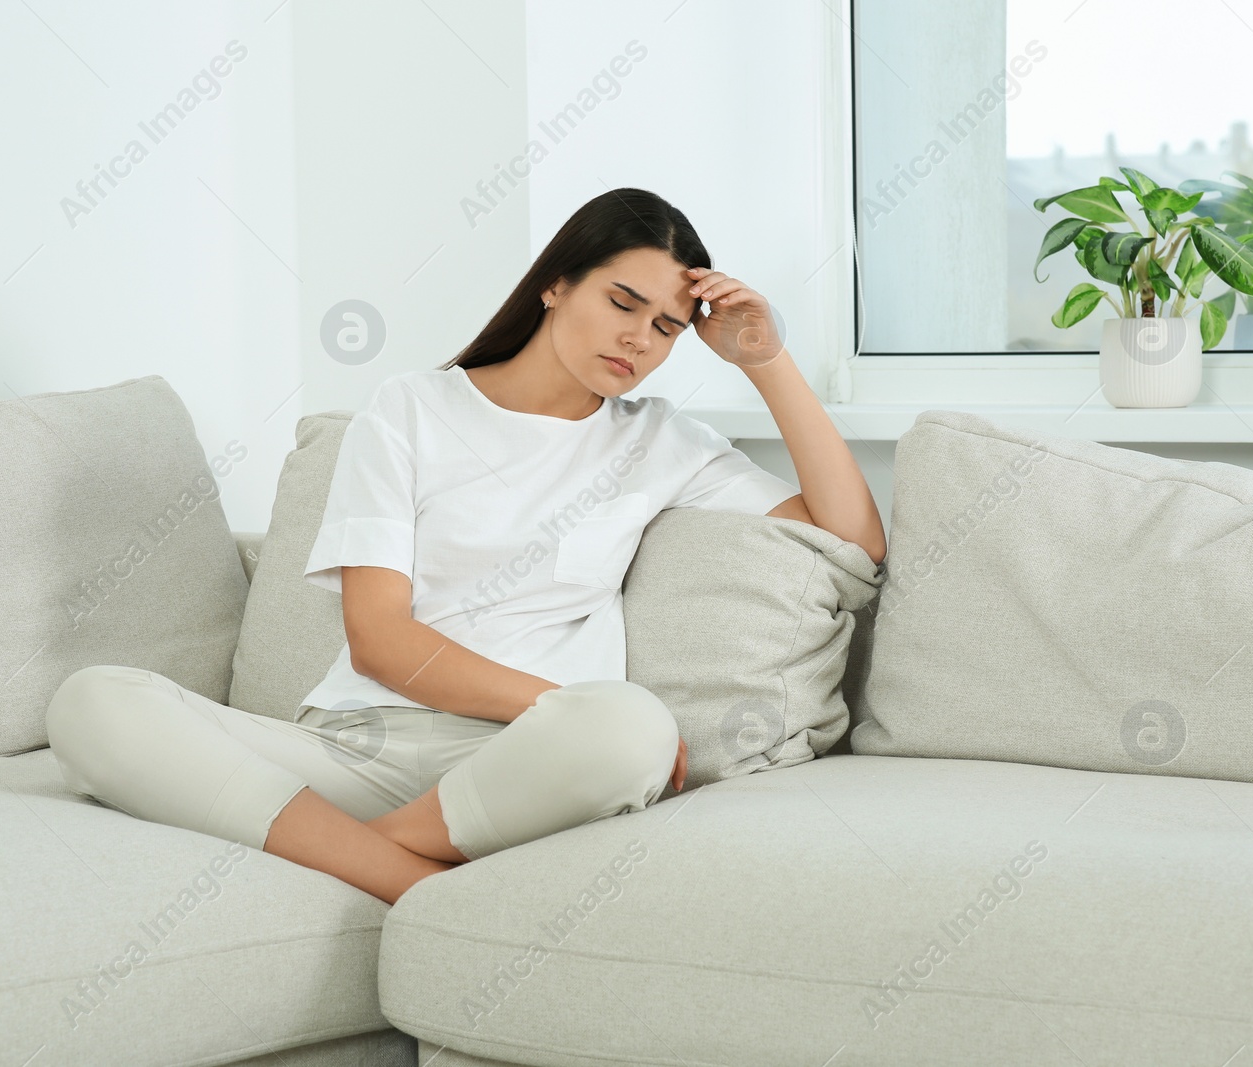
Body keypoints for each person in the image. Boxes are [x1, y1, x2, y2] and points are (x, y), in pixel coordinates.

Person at [45, 187, 885, 906]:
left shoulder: (662, 440)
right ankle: (409, 881)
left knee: (632, 727)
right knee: (93, 700)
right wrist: (551, 703)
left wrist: (765, 361)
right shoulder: (410, 409)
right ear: (556, 284)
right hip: (357, 742)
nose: (640, 338)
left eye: (667, 327)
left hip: (525, 764)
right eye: (623, 302)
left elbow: (854, 538)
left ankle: (338, 854)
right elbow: (380, 639)